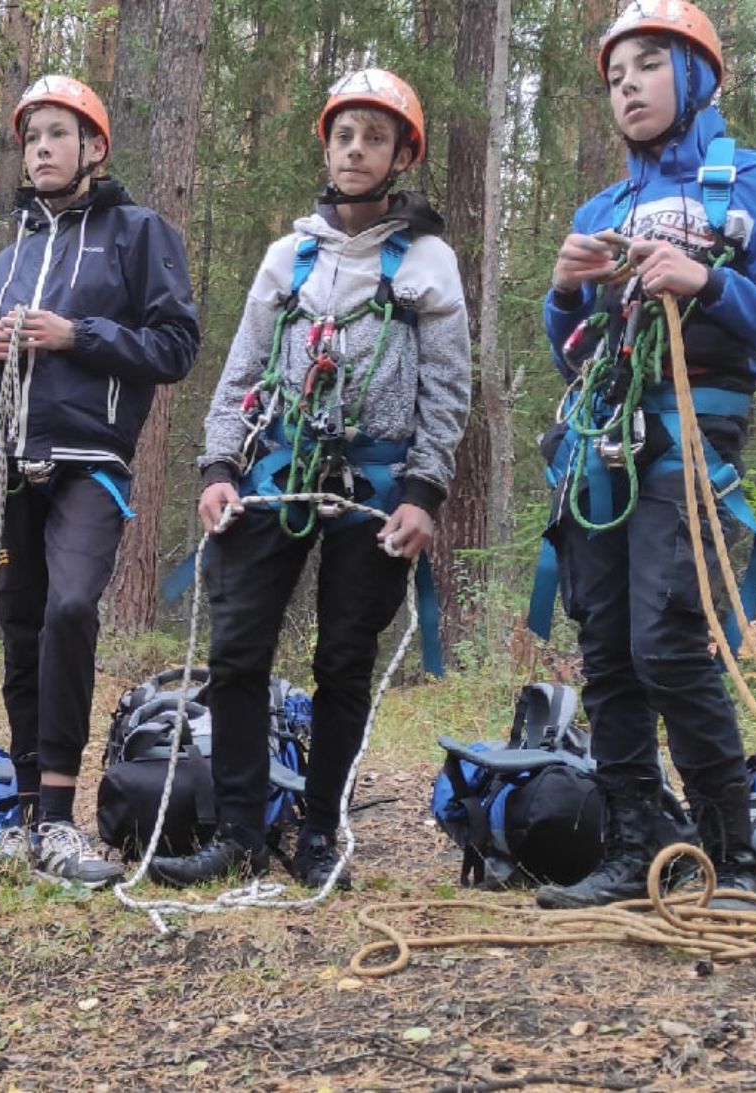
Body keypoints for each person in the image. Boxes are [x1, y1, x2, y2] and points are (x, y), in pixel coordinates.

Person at [530, 0, 756, 909]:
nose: (628, 88)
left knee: (666, 641)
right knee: (608, 648)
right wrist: (563, 292)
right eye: (616, 77)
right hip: (599, 440)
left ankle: (734, 860)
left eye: (649, 66)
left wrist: (707, 279)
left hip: (692, 436)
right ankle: (633, 847)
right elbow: (571, 352)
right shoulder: (602, 207)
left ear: (698, 75)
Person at [147, 69, 471, 889]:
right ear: (327, 147)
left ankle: (320, 828)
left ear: (402, 155)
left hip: (375, 482)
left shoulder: (428, 262)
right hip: (274, 469)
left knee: (344, 658)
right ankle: (239, 832)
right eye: (344, 135)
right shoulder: (287, 257)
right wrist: (219, 468)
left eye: (374, 137)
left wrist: (423, 492)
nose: (356, 149)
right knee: (238, 650)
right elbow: (240, 372)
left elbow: (448, 388)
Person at [0, 75, 200, 885]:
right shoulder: (9, 257)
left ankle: (60, 820)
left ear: (94, 147)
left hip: (92, 461)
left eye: (57, 134)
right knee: (21, 627)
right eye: (32, 138)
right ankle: (29, 813)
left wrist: (77, 334)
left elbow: (175, 345)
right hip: (11, 462)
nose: (41, 149)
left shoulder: (138, 234)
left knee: (69, 609)